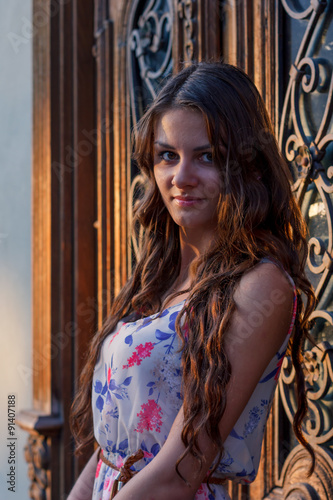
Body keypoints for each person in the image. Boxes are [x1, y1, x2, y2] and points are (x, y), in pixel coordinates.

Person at [69, 61, 316, 500]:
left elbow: (180, 471)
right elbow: (112, 450)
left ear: (247, 166)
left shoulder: (262, 286)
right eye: (168, 155)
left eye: (206, 157)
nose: (180, 178)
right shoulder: (161, 275)